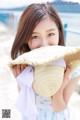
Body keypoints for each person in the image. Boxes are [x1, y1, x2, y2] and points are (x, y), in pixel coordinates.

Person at [11, 3, 80, 120]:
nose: (44, 45)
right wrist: (21, 82)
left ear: (59, 32)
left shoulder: (71, 67)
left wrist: (60, 87)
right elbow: (25, 99)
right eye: (35, 37)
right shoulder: (25, 65)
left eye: (50, 34)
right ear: (26, 39)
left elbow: (59, 108)